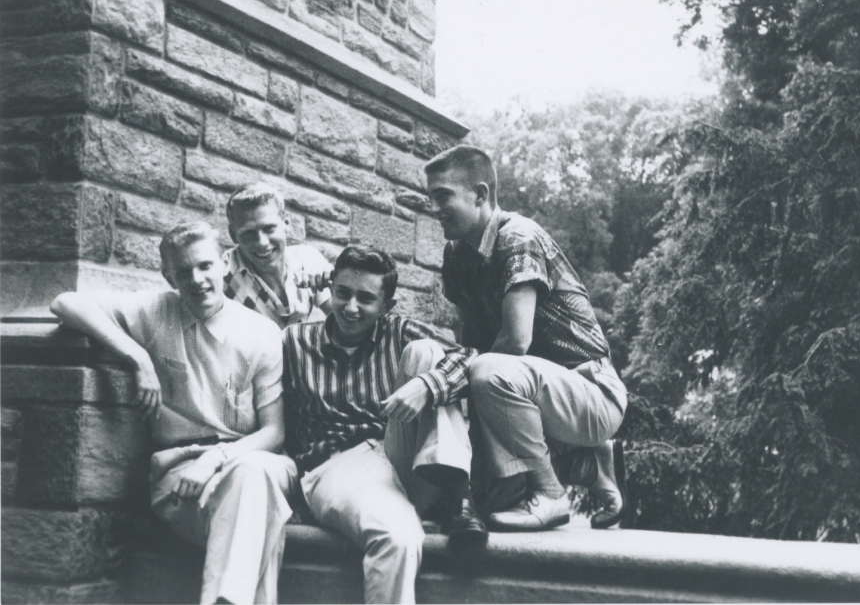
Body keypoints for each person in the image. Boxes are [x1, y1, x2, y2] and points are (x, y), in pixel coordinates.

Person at [50, 221, 297, 605]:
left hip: (254, 458)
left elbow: (274, 433)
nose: (197, 280)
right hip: (181, 476)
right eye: (183, 272)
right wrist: (138, 357)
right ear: (168, 276)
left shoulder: (261, 333)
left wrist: (217, 458)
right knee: (261, 517)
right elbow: (65, 302)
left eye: (205, 266)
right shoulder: (155, 312)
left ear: (224, 266)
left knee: (255, 473)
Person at [425, 145, 629, 532]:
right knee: (483, 499)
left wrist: (452, 379)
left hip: (591, 389)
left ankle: (551, 493)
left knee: (484, 372)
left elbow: (515, 342)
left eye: (442, 196)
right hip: (529, 397)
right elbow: (468, 340)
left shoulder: (517, 237)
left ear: (480, 195)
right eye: (430, 196)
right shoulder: (456, 255)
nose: (433, 207)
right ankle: (592, 465)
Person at [282, 245, 488, 604]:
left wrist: (426, 385)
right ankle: (456, 496)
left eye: (365, 298)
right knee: (397, 537)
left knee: (427, 353)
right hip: (340, 464)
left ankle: (458, 496)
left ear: (386, 307)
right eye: (343, 293)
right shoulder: (296, 341)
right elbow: (280, 414)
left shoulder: (398, 331)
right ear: (330, 289)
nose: (350, 308)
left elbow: (470, 358)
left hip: (403, 457)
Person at [224, 181, 334, 328]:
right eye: (249, 233)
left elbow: (345, 324)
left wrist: (337, 287)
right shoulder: (220, 275)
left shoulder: (307, 259)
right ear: (233, 234)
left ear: (286, 223)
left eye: (269, 228)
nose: (262, 242)